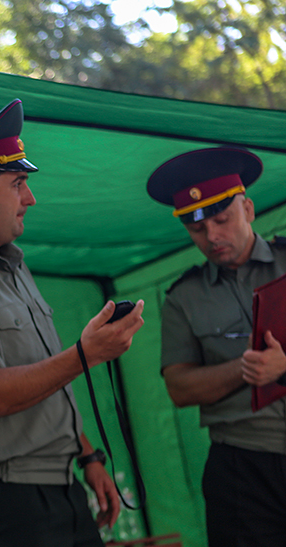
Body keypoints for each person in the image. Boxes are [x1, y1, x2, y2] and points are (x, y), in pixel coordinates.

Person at [0, 99, 145, 547]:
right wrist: (85, 354)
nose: (30, 198)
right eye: (18, 184)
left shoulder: (12, 265)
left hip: (61, 483)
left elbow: (42, 379)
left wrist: (88, 454)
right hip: (6, 499)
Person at [148, 146, 286, 547]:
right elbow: (179, 388)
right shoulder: (183, 298)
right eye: (197, 229)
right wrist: (244, 368)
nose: (212, 237)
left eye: (222, 220)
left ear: (248, 209)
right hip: (243, 464)